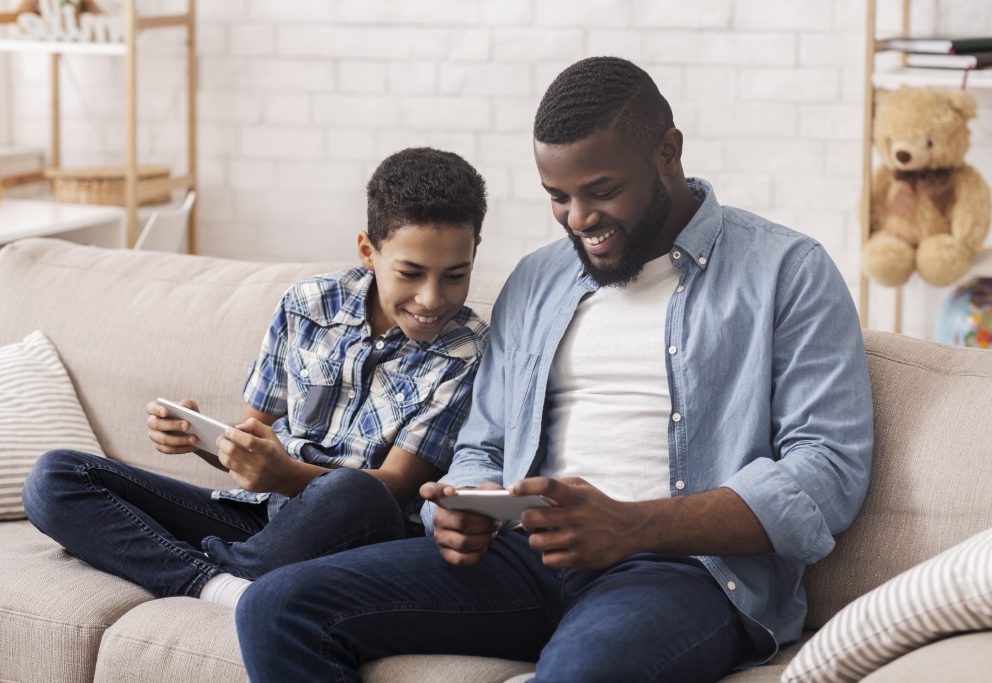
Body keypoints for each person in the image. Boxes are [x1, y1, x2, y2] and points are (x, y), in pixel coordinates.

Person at [235, 57, 873, 682]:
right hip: (522, 556)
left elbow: (828, 470)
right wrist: (463, 511)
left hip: (680, 570)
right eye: (557, 197)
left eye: (602, 192)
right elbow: (482, 445)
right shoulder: (539, 279)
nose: (578, 220)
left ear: (668, 152)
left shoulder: (786, 271)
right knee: (278, 608)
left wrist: (632, 526)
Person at [22, 147, 490, 609]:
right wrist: (202, 438)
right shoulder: (308, 304)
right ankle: (220, 583)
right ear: (368, 251)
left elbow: (394, 487)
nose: (431, 298)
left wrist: (287, 475)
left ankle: (199, 570)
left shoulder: (470, 349)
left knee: (354, 490)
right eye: (410, 273)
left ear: (473, 256)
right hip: (259, 519)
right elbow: (251, 439)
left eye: (455, 275)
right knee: (56, 476)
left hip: (356, 533)